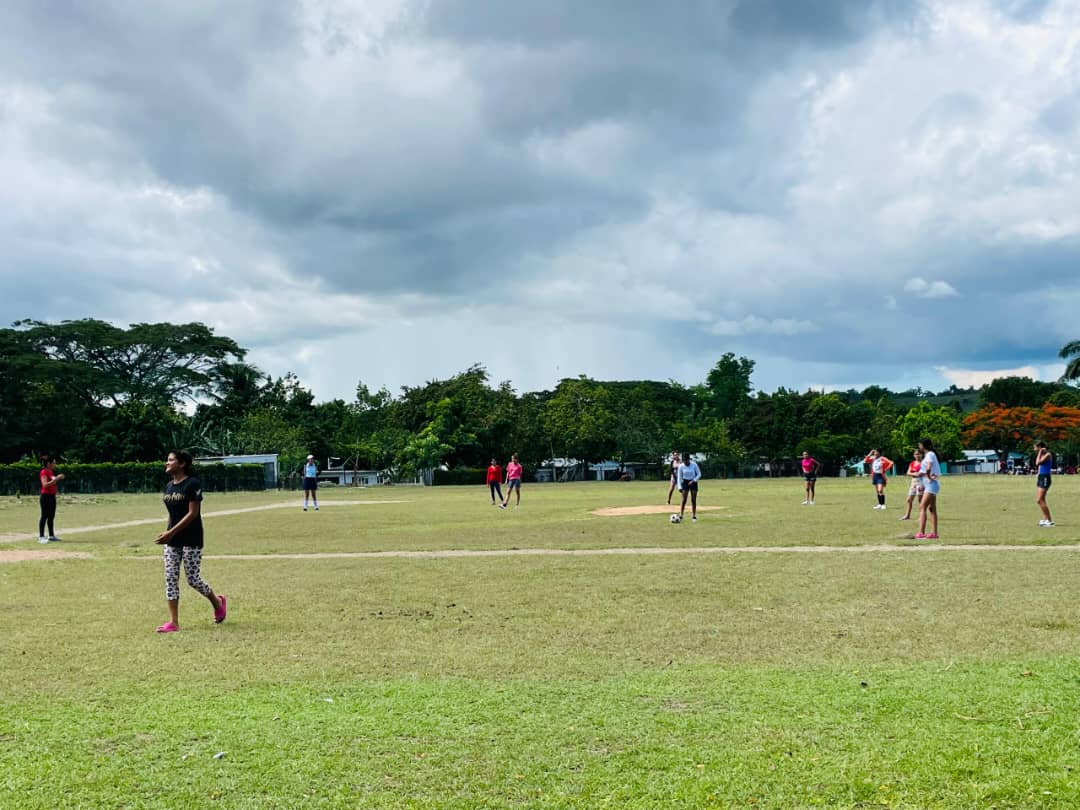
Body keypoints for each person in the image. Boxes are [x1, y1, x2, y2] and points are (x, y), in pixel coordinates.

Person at [155, 450, 226, 633]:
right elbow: (172, 514)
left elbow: (192, 514)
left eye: (170, 460)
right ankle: (173, 622)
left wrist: (170, 532)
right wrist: (168, 533)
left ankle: (218, 602)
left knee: (193, 579)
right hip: (172, 540)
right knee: (170, 578)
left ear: (182, 464)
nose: (167, 463)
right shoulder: (169, 486)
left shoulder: (192, 484)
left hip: (191, 538)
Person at [912, 437, 940, 540]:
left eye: (920, 444)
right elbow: (924, 471)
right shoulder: (928, 455)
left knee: (922, 506)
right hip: (929, 484)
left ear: (924, 445)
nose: (919, 446)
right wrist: (918, 474)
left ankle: (921, 533)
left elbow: (928, 467)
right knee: (932, 509)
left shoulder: (930, 454)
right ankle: (934, 533)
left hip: (931, 484)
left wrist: (927, 476)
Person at [37, 456, 65, 544]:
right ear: (48, 463)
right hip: (45, 497)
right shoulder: (44, 472)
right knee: (44, 516)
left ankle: (51, 536)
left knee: (51, 516)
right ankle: (41, 537)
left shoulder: (50, 472)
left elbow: (52, 483)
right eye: (54, 463)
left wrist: (57, 480)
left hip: (52, 496)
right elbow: (45, 485)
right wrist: (57, 478)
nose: (55, 464)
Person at [899, 449, 924, 521]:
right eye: (916, 454)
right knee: (909, 500)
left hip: (921, 483)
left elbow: (923, 473)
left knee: (920, 500)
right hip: (913, 483)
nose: (917, 455)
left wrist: (917, 474)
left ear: (922, 455)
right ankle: (907, 515)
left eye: (918, 454)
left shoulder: (924, 463)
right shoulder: (912, 463)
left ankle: (921, 516)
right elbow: (908, 473)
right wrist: (914, 474)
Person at [677, 452, 702, 522]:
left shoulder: (694, 464)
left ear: (689, 459)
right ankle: (681, 515)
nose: (685, 462)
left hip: (693, 482)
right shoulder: (681, 466)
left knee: (693, 500)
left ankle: (694, 516)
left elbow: (699, 474)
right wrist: (679, 487)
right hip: (685, 482)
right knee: (684, 500)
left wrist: (693, 480)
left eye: (686, 460)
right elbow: (679, 477)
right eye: (683, 460)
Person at [1035, 441, 1054, 527]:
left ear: (1040, 447)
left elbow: (1037, 463)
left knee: (1040, 500)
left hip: (1045, 477)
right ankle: (1046, 519)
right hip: (1041, 477)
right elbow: (1039, 466)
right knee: (1041, 500)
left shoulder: (1048, 455)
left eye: (1036, 447)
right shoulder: (1042, 455)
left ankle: (1049, 521)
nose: (1034, 449)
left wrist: (1040, 452)